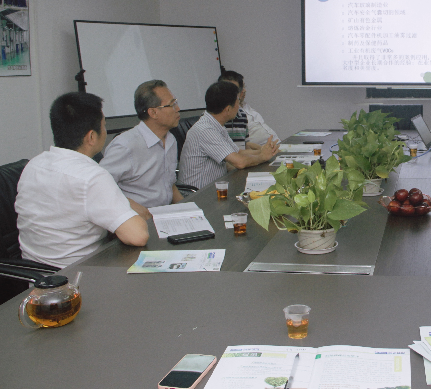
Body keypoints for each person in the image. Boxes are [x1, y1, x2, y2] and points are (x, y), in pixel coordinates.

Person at [15, 92, 149, 269]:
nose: (105, 131)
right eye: (104, 126)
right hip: (78, 277)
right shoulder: (92, 177)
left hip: (35, 277)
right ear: (91, 137)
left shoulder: (33, 165)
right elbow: (138, 236)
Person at [178, 81, 279, 190]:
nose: (239, 106)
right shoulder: (205, 130)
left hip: (215, 188)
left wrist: (262, 151)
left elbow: (238, 152)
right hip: (198, 194)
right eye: (237, 101)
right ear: (228, 109)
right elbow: (239, 162)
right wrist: (262, 157)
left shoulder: (216, 125)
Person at [100, 80, 183, 209]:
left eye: (176, 103)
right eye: (172, 105)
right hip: (137, 217)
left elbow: (169, 184)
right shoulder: (125, 146)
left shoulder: (170, 139)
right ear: (153, 113)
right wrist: (133, 208)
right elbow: (99, 188)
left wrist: (189, 209)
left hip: (165, 213)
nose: (178, 109)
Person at [219, 70, 279, 147]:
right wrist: (262, 151)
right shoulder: (229, 115)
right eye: (239, 89)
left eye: (243, 86)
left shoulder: (244, 108)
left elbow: (246, 145)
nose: (244, 90)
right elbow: (238, 150)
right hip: (262, 151)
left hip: (273, 146)